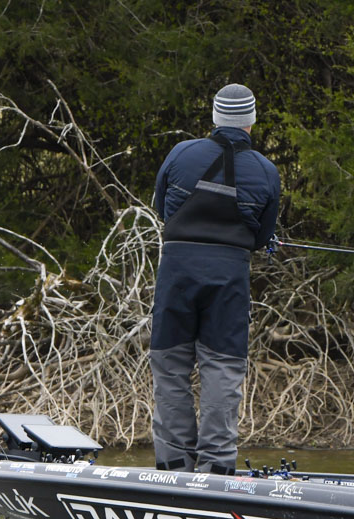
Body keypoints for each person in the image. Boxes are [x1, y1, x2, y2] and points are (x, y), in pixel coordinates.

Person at [150, 83, 280, 475]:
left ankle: (174, 463)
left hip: (177, 271)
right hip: (229, 277)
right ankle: (216, 468)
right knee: (222, 368)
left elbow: (162, 208)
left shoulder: (181, 153)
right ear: (251, 121)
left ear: (215, 117)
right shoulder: (266, 171)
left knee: (170, 364)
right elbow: (261, 237)